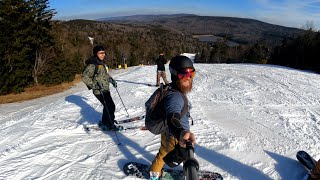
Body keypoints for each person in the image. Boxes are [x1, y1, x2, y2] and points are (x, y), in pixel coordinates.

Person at [149, 55, 196, 180]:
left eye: (192, 74)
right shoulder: (175, 97)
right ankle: (155, 174)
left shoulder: (173, 89)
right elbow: (172, 116)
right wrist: (181, 132)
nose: (189, 78)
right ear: (175, 75)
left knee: (163, 151)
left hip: (169, 132)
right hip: (175, 135)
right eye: (183, 75)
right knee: (177, 154)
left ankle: (154, 172)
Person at [82, 45, 122, 131]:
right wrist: (94, 85)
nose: (103, 55)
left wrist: (112, 80)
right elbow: (84, 77)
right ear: (96, 54)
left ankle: (105, 121)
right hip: (99, 91)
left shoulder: (101, 63)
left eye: (103, 53)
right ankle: (110, 124)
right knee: (110, 106)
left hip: (105, 89)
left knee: (107, 106)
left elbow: (105, 75)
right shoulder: (93, 65)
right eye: (100, 53)